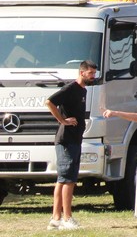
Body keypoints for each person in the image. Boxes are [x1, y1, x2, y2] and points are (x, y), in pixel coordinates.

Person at [45, 60, 98, 230]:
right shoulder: (71, 88)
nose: (93, 76)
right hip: (66, 140)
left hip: (75, 139)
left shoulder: (83, 90)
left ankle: (55, 218)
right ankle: (67, 218)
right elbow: (49, 102)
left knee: (65, 179)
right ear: (82, 73)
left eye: (94, 73)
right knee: (67, 179)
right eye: (90, 73)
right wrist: (62, 120)